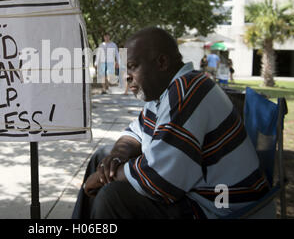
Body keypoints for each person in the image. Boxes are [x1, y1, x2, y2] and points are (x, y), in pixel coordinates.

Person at [72, 27, 269, 219]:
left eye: (132, 67)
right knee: (102, 158)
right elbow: (137, 131)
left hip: (220, 206)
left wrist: (102, 178)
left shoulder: (187, 92)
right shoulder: (164, 92)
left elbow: (160, 180)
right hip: (198, 191)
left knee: (113, 198)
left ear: (162, 62)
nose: (126, 76)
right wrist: (115, 157)